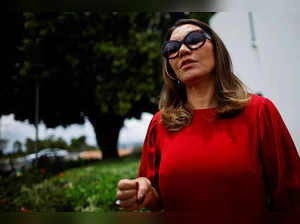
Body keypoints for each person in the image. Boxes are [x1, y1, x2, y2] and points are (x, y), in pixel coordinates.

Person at [116, 18, 300, 223]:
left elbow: (290, 196)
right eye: (172, 48)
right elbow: (153, 196)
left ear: (217, 51)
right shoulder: (160, 124)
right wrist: (144, 193)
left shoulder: (259, 111)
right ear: (170, 66)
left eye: (194, 39)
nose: (183, 50)